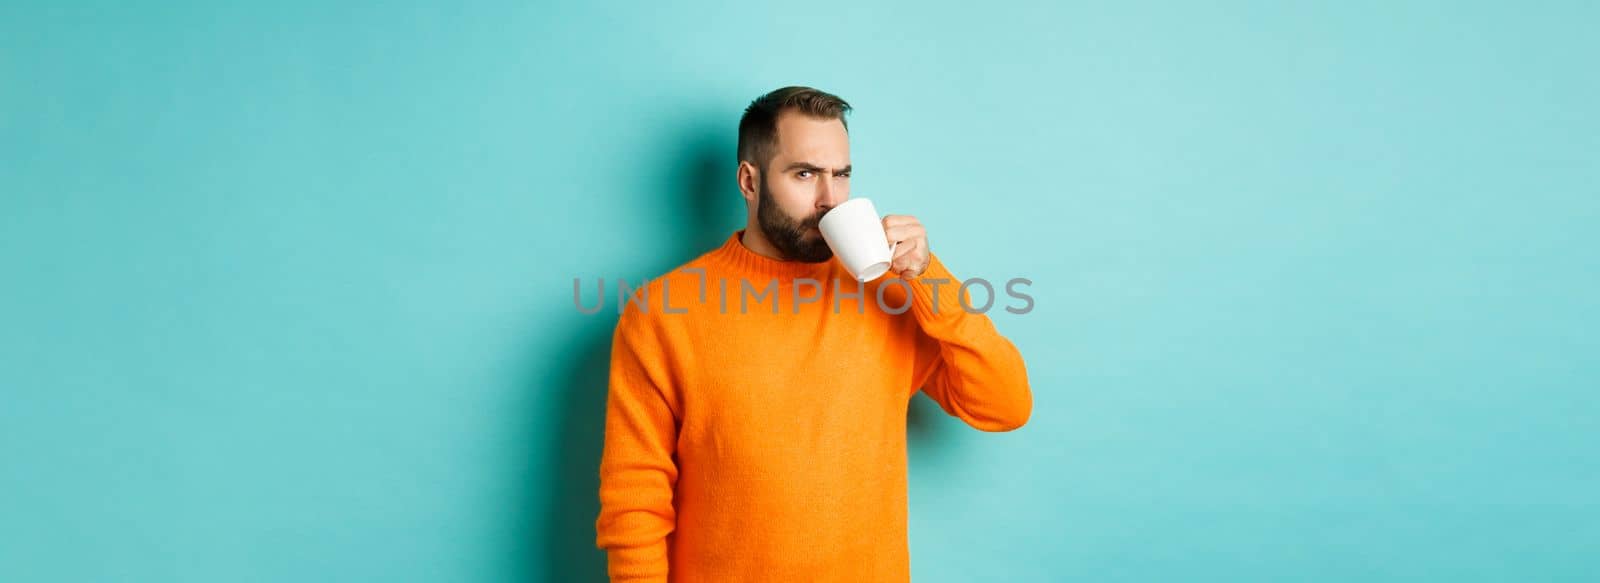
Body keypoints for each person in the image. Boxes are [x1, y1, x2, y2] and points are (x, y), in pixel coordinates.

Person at [593, 86, 1032, 582]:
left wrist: (929, 277)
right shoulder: (661, 313)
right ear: (749, 181)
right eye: (805, 174)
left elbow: (1005, 405)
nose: (829, 200)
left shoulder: (889, 294)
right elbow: (636, 499)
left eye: (841, 175)